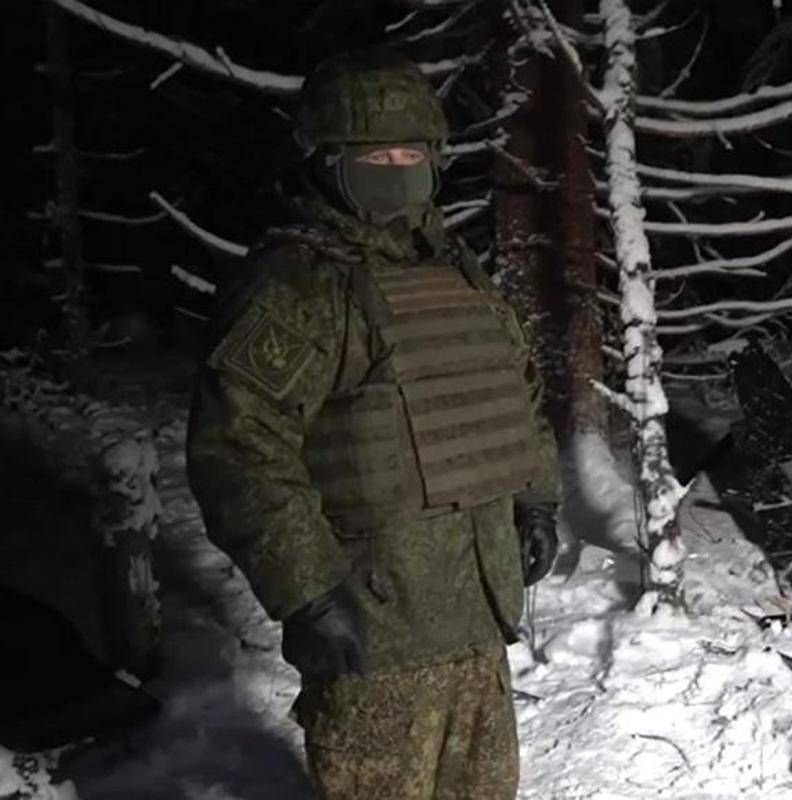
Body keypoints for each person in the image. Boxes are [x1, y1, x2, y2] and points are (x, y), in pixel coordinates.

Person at [186, 46, 561, 799]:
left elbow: (518, 393)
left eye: (409, 154)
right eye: (373, 157)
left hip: (478, 616)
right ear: (326, 163)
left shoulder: (458, 272)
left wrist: (536, 499)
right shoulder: (299, 286)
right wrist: (309, 592)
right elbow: (240, 447)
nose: (396, 169)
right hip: (374, 629)